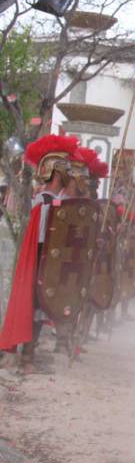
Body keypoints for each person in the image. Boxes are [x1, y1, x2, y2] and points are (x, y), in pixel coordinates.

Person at [0, 134, 78, 372]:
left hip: (44, 263)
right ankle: (26, 361)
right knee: (35, 308)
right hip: (41, 263)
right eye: (66, 169)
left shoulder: (51, 201)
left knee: (39, 309)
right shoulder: (45, 203)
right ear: (56, 171)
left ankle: (28, 358)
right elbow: (45, 240)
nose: (69, 175)